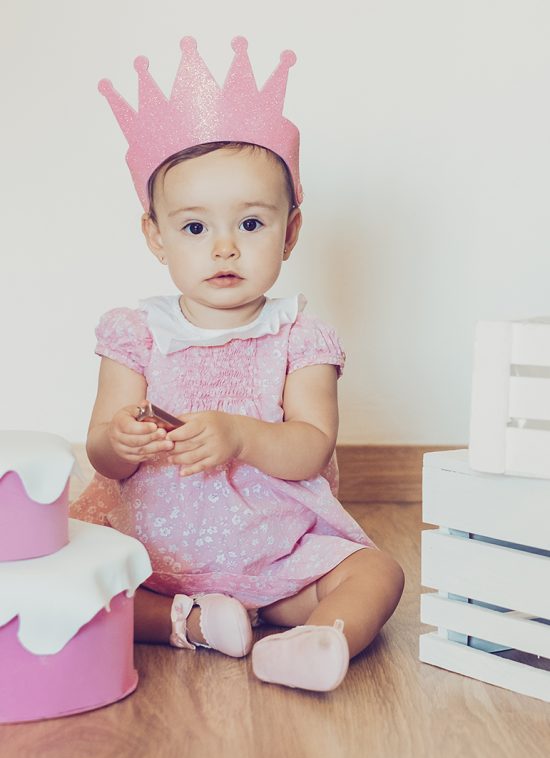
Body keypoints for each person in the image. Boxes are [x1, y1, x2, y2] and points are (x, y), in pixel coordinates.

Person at [70, 37, 404, 692]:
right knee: (84, 582)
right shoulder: (136, 335)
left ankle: (314, 639)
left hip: (276, 556)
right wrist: (121, 440)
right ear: (156, 235)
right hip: (154, 554)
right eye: (195, 228)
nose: (224, 247)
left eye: (250, 224)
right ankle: (191, 620)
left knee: (378, 573)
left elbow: (310, 447)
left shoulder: (300, 337)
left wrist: (241, 435)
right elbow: (104, 454)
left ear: (290, 231)